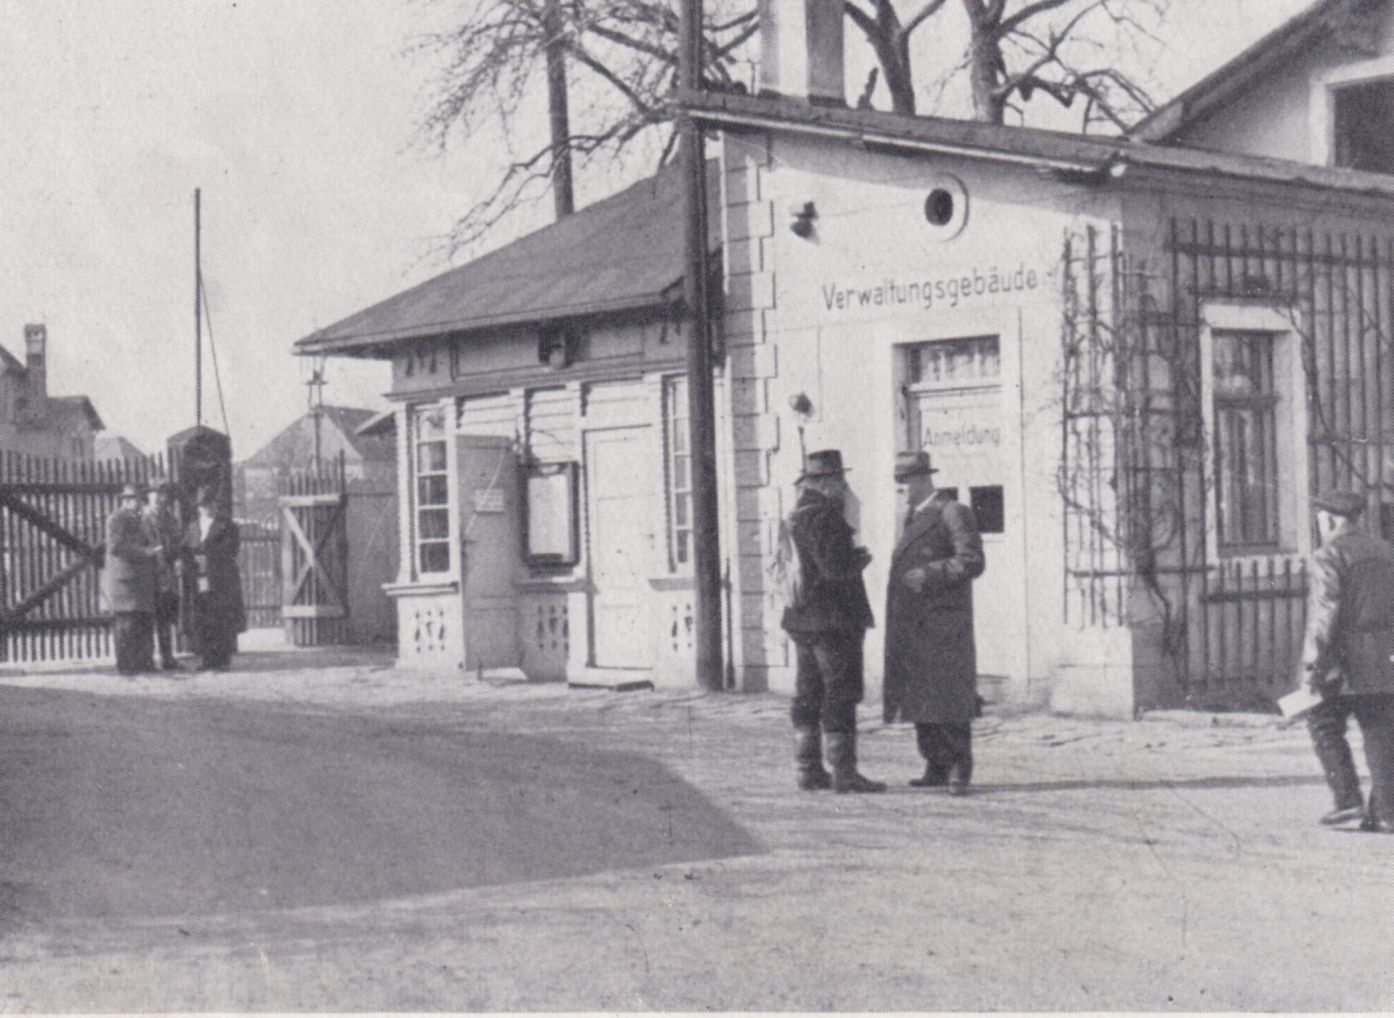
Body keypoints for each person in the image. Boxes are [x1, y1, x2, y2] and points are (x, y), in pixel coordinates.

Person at [781, 449, 885, 793]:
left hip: (802, 619)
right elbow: (835, 569)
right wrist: (860, 560)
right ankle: (844, 771)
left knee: (808, 692)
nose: (843, 485)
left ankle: (807, 768)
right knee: (841, 692)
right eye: (840, 479)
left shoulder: (796, 514)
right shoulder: (826, 516)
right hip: (834, 621)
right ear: (826, 482)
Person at [883, 451, 985, 796]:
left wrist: (930, 573)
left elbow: (971, 560)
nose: (902, 491)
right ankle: (935, 764)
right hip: (914, 621)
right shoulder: (912, 516)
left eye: (906, 483)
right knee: (921, 695)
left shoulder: (952, 511)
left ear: (924, 480)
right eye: (899, 484)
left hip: (943, 621)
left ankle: (958, 766)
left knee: (949, 694)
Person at [1299, 490, 1394, 834]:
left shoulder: (1330, 554)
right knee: (1380, 729)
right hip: (1386, 657)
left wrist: (1312, 668)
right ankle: (1386, 812)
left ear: (1329, 519)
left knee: (1322, 720)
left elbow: (1325, 616)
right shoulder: (1387, 551)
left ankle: (1347, 799)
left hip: (1344, 660)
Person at [182, 485, 244, 672]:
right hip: (200, 578)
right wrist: (190, 559)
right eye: (203, 505)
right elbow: (184, 549)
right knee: (202, 617)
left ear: (215, 505)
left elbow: (231, 550)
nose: (207, 508)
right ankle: (206, 658)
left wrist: (207, 556)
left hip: (222, 579)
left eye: (210, 504)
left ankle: (222, 659)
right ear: (198, 507)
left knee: (221, 617)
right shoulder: (193, 527)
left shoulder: (227, 526)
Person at [103, 482, 158, 676]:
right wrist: (144, 552)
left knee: (143, 621)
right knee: (126, 623)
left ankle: (144, 662)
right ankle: (126, 665)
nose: (137, 503)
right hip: (124, 579)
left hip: (141, 578)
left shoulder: (142, 519)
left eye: (139, 499)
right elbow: (116, 547)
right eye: (132, 499)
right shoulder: (117, 519)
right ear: (125, 501)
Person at [142, 477, 183, 671]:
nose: (159, 498)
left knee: (165, 616)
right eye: (155, 494)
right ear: (148, 496)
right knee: (147, 617)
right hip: (146, 574)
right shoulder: (142, 518)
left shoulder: (171, 519)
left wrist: (177, 560)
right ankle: (147, 658)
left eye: (162, 494)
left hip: (166, 575)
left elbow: (177, 545)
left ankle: (167, 657)